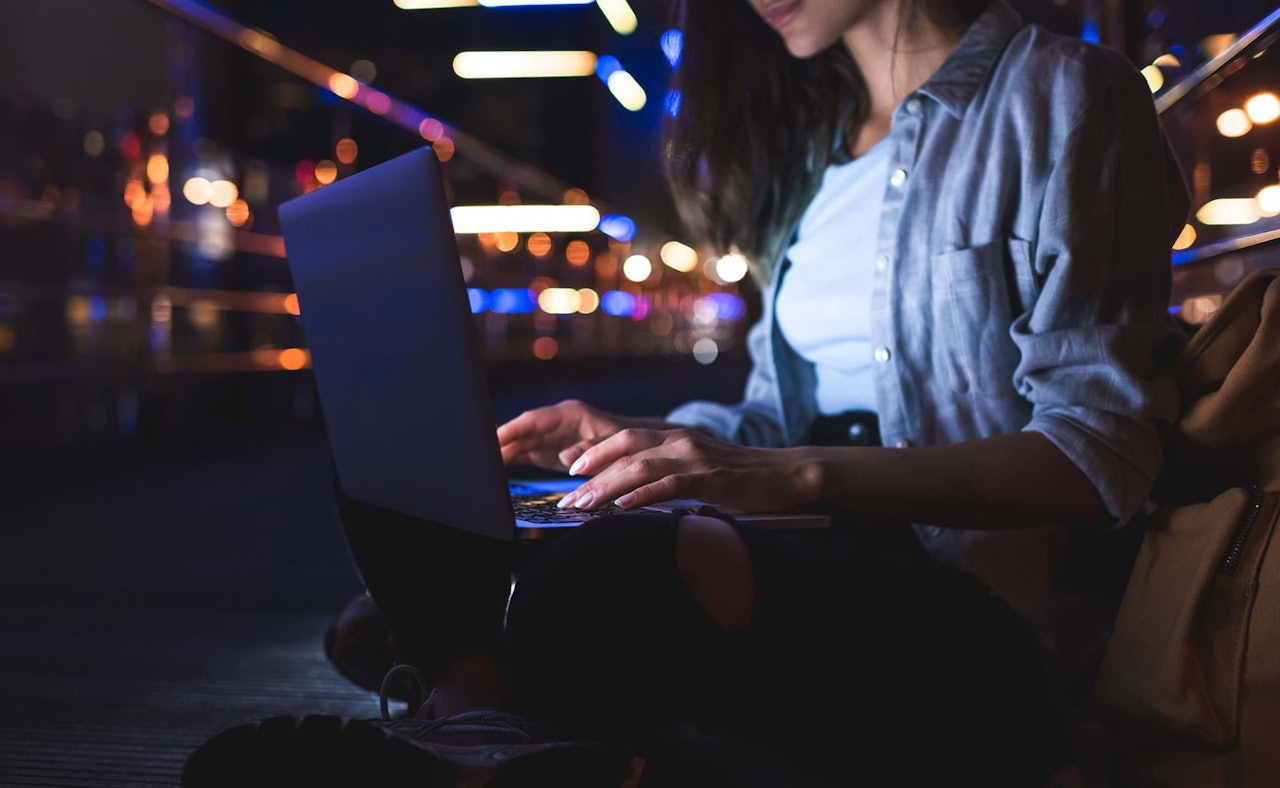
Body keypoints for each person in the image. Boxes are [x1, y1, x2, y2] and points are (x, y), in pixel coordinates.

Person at [319, 0, 1191, 785]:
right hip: (816, 562)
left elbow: (1098, 454)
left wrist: (802, 476)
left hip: (978, 616)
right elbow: (775, 420)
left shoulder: (1066, 95)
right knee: (434, 558)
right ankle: (483, 730)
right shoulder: (820, 157)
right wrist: (635, 441)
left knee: (603, 579)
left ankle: (479, 723)